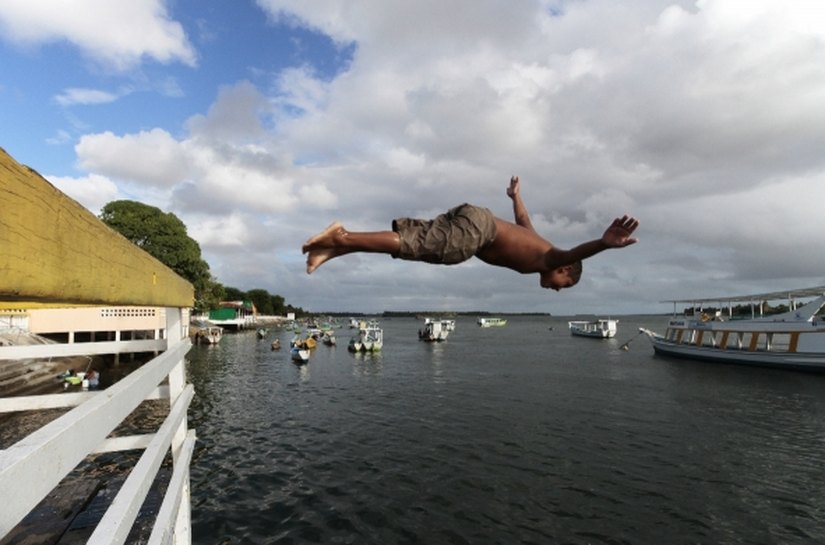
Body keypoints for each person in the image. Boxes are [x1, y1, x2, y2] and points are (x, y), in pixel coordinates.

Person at [302, 176, 639, 291]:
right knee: (416, 246)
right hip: (481, 230)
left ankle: (336, 248)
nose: (555, 290)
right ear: (564, 269)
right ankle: (342, 236)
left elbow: (523, 220)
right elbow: (575, 253)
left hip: (477, 220)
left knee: (419, 242)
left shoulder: (538, 245)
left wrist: (515, 197)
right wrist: (603, 244)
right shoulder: (550, 258)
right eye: (561, 286)